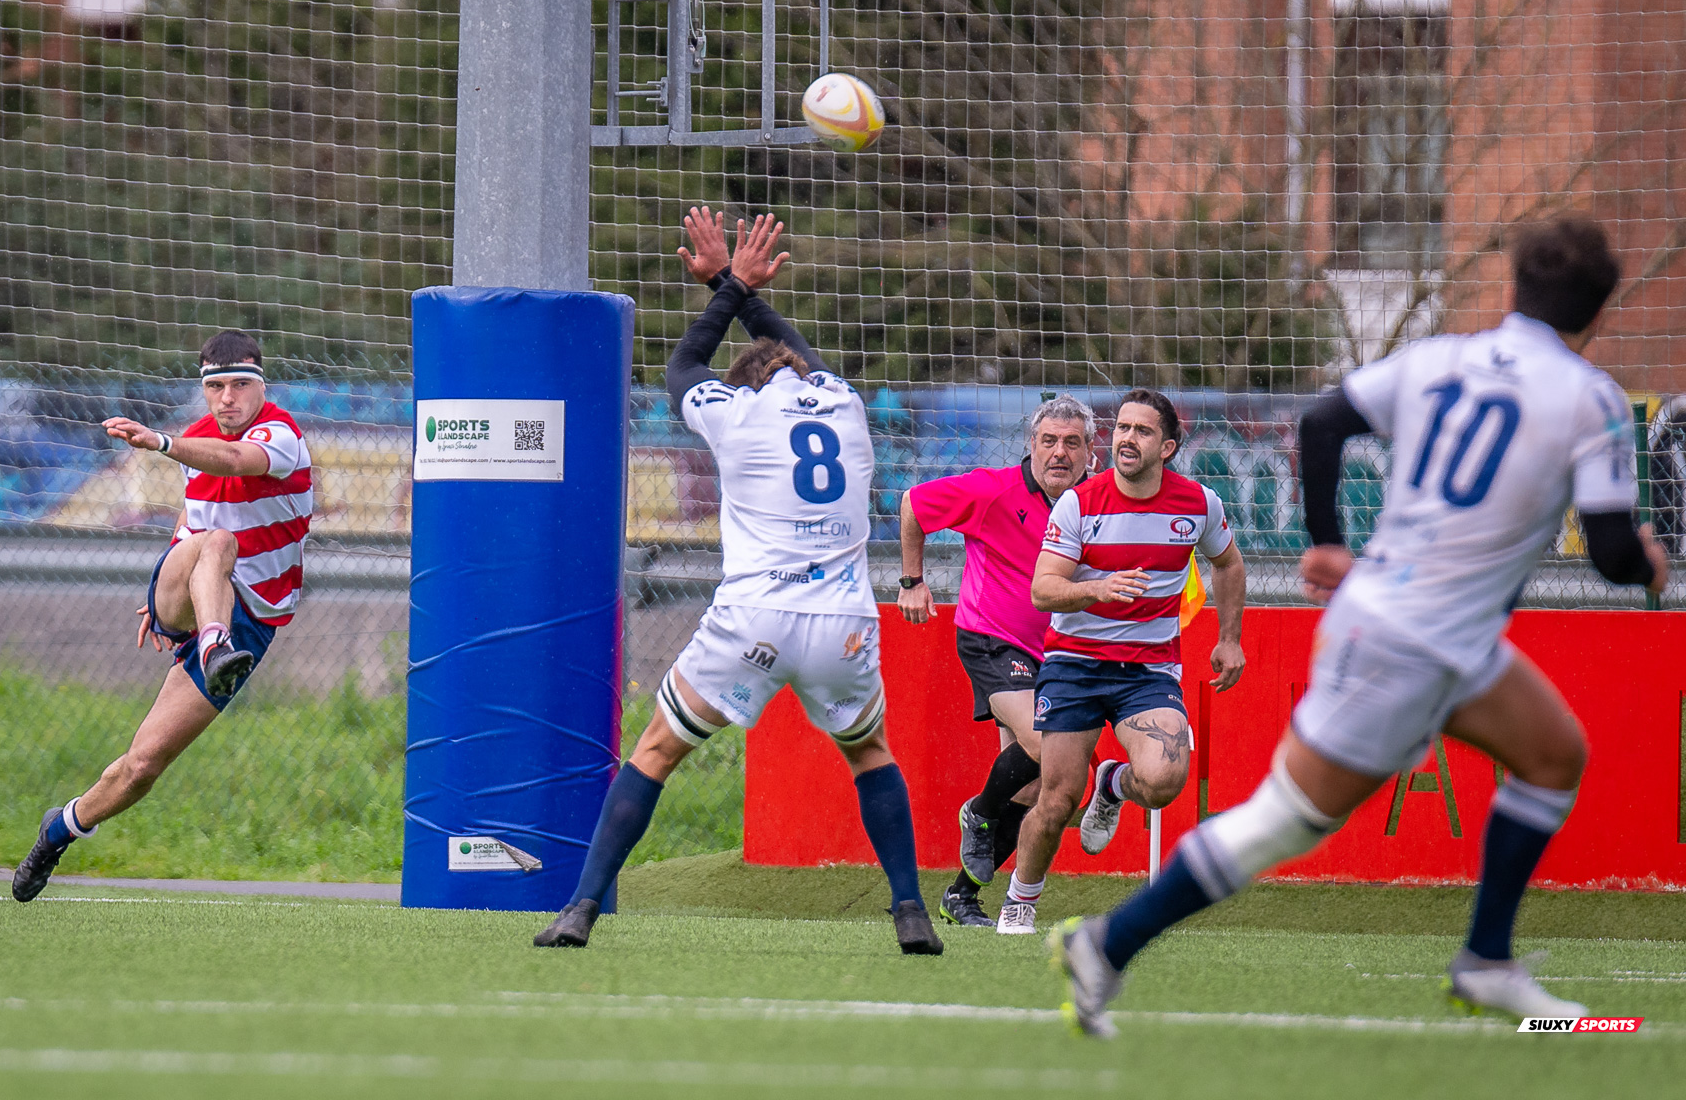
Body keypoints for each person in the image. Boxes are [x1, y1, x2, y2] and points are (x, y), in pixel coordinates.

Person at [1051, 215, 1670, 1037]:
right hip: (1409, 640)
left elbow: (1322, 423)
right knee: (1283, 821)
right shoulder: (1590, 398)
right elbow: (1613, 552)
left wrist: (1330, 545)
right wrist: (1653, 564)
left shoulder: (1439, 357)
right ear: (1598, 312)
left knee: (1554, 755)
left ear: (1513, 290)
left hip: (1440, 634)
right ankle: (1106, 943)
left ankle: (1486, 961)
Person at [534, 208, 943, 955]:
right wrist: (742, 283)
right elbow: (793, 349)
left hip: (755, 615)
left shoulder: (736, 410)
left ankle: (581, 908)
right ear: (793, 366)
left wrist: (724, 288)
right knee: (869, 753)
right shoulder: (845, 404)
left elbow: (682, 367)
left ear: (748, 380)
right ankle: (910, 909)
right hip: (842, 622)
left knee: (657, 751)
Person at [12, 331, 314, 901]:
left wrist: (160, 441)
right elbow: (195, 518)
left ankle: (58, 830)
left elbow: (232, 459)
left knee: (141, 767)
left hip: (254, 618)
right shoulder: (193, 440)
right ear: (204, 391)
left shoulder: (281, 435)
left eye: (240, 385)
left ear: (261, 386)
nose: (228, 398)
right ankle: (212, 645)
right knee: (216, 540)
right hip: (204, 609)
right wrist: (164, 596)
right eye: (216, 386)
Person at [998, 389, 1248, 935]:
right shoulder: (1081, 503)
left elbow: (1228, 564)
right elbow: (1043, 589)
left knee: (1164, 779)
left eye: (1142, 431)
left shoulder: (1199, 503)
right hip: (1074, 665)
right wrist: (1099, 589)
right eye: (1122, 429)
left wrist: (1230, 639)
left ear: (1168, 447)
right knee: (1058, 797)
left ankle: (1113, 785)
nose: (1127, 439)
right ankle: (1020, 898)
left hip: (1148, 671)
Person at [897, 396, 1094, 927]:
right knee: (1045, 742)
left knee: (1039, 787)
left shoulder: (1097, 503)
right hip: (992, 640)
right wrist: (912, 582)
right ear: (1030, 445)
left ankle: (961, 896)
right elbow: (914, 504)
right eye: (1049, 441)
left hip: (1058, 655)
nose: (1059, 453)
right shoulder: (992, 490)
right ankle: (980, 812)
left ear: (1089, 452)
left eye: (1071, 443)